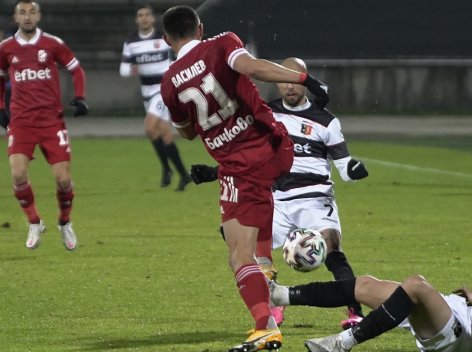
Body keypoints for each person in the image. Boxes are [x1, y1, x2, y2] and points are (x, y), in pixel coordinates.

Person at [159, 6, 329, 352]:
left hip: (243, 166)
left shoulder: (169, 83)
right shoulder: (223, 44)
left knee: (238, 257)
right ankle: (265, 274)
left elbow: (188, 132)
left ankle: (264, 327)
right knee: (251, 235)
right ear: (200, 28)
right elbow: (252, 67)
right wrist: (305, 78)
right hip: (275, 146)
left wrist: (211, 123)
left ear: (166, 40)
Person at [268, 200, 472, 352]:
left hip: (461, 338)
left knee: (415, 285)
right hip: (462, 315)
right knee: (367, 286)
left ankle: (343, 343)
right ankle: (280, 295)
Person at [190, 57, 369, 329]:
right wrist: (214, 173)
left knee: (331, 247)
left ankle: (354, 311)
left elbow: (344, 166)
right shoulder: (266, 115)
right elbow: (249, 157)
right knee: (239, 242)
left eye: (294, 79)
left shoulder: (326, 121)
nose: (289, 86)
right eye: (283, 80)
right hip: (275, 198)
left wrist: (354, 169)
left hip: (314, 198)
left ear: (304, 80)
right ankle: (273, 305)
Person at [0, 0, 88, 250]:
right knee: (17, 174)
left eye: (31, 12)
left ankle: (64, 222)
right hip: (21, 122)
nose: (27, 17)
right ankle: (34, 222)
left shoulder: (52, 43)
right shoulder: (6, 48)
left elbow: (76, 69)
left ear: (38, 16)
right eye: (22, 13)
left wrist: (80, 97)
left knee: (62, 179)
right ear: (15, 18)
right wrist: (1, 108)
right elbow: (0, 78)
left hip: (51, 121)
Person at [119, 4, 191, 191]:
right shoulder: (131, 41)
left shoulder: (163, 37)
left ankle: (167, 169)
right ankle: (182, 174)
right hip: (147, 92)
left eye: (146, 15)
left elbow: (179, 56)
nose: (143, 18)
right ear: (137, 20)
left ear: (152, 19)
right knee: (162, 134)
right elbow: (124, 69)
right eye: (140, 15)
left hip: (163, 90)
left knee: (149, 126)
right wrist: (132, 69)